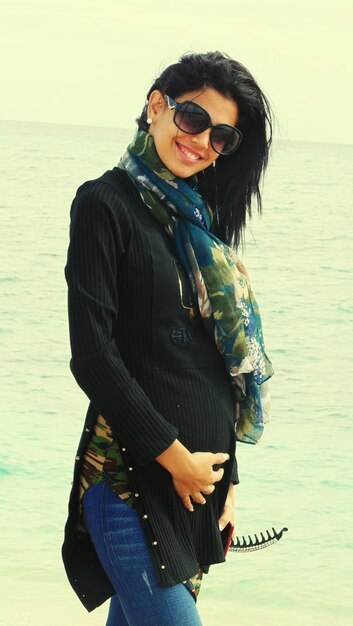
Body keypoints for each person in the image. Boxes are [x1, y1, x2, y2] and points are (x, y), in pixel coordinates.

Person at [62, 50, 273, 626]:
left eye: (222, 136)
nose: (203, 141)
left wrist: (228, 478)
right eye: (193, 119)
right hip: (129, 482)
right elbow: (93, 356)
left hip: (194, 495)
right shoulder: (105, 205)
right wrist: (176, 458)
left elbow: (213, 366)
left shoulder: (196, 227)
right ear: (157, 106)